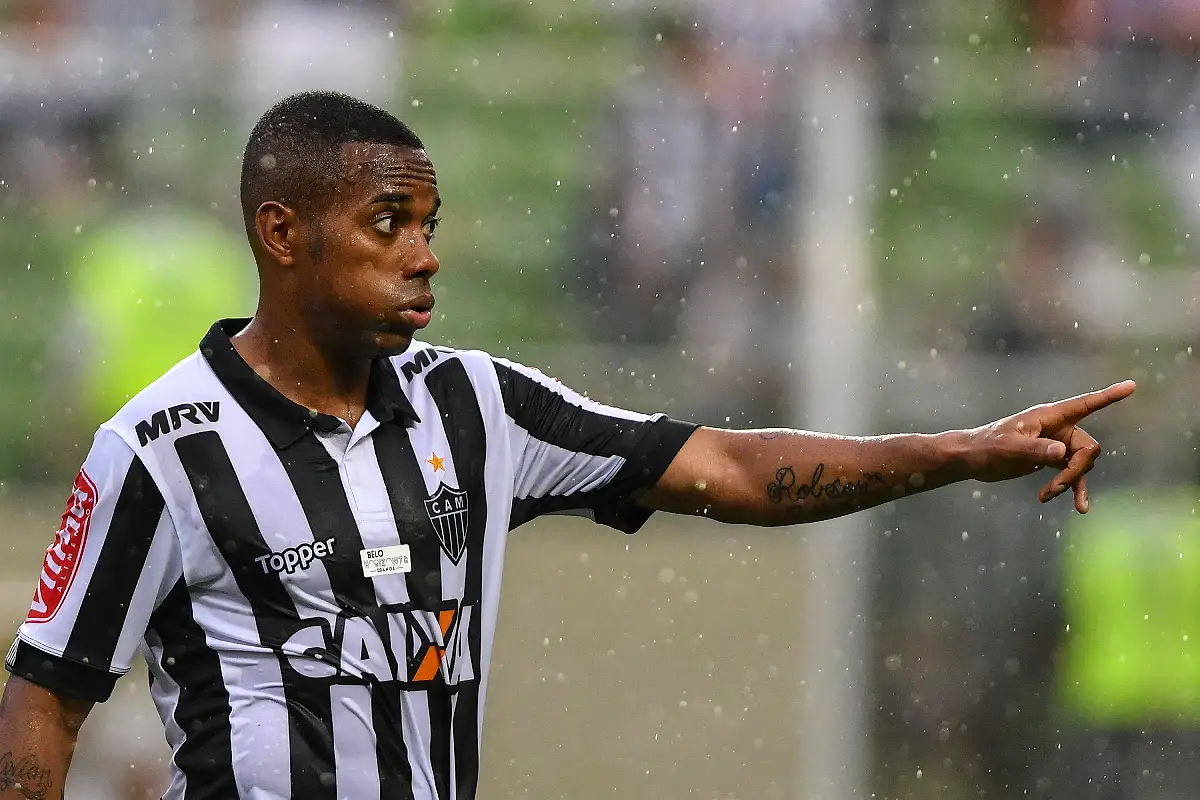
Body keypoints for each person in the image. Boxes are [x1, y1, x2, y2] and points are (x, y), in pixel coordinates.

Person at [0, 91, 1134, 800]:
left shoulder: (478, 406)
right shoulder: (157, 447)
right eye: (387, 223)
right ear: (282, 232)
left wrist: (956, 449)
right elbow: (45, 699)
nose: (424, 255)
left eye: (430, 226)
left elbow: (732, 469)